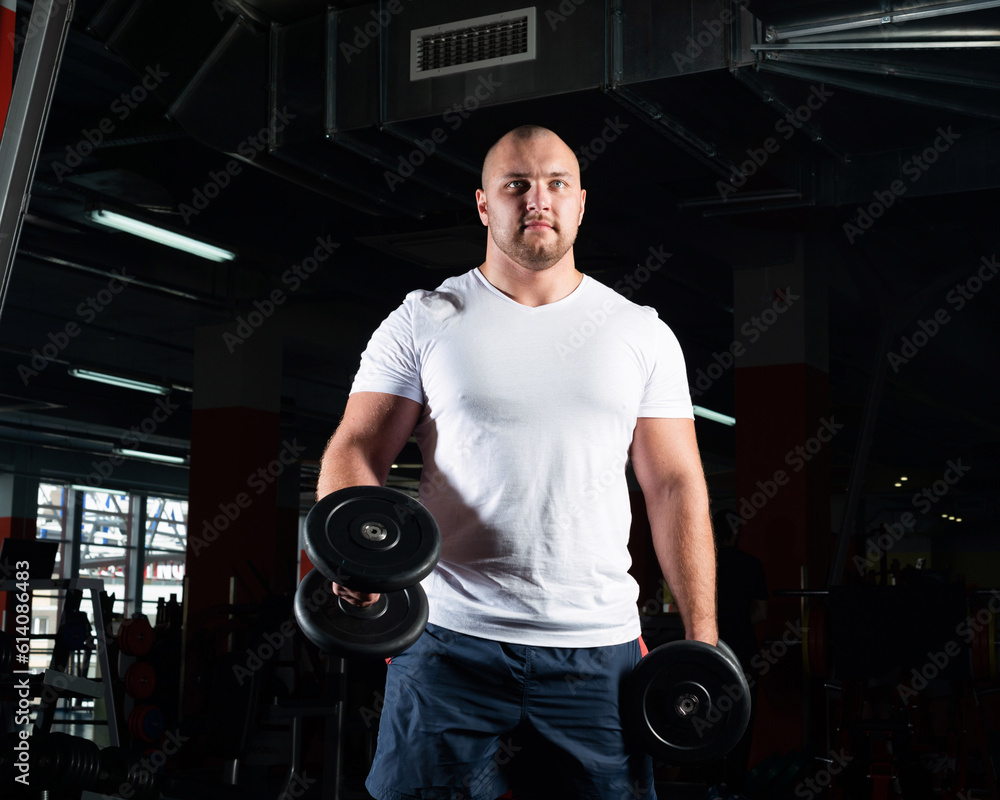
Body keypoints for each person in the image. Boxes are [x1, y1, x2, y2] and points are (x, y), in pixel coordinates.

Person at [316, 124, 717, 800]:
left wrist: (701, 634)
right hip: (448, 639)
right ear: (483, 204)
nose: (539, 200)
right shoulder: (423, 319)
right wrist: (355, 559)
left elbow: (674, 485)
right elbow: (356, 447)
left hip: (598, 652)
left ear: (581, 203)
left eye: (556, 184)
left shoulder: (640, 332)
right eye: (517, 185)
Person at [712, 511, 768, 797]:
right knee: (742, 718)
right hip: (743, 650)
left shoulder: (705, 563)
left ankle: (710, 784)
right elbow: (761, 612)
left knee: (708, 716)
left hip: (709, 649)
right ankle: (734, 789)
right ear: (735, 534)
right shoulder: (751, 564)